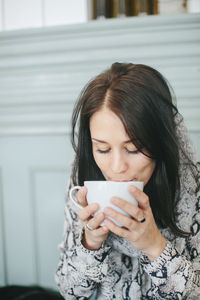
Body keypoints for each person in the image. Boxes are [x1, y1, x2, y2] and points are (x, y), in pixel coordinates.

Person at [55, 63, 200, 299]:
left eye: (133, 149)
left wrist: (155, 246)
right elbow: (70, 292)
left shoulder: (194, 191)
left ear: (162, 142)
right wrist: (90, 243)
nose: (116, 167)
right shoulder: (82, 184)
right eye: (102, 149)